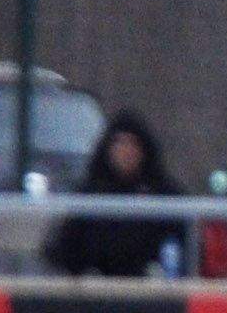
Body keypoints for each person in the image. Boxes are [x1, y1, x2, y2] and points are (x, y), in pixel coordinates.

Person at [45, 111, 186, 279]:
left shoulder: (164, 194)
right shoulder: (90, 194)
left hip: (153, 293)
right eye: (119, 143)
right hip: (99, 293)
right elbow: (65, 248)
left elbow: (184, 244)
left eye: (133, 144)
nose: (126, 151)